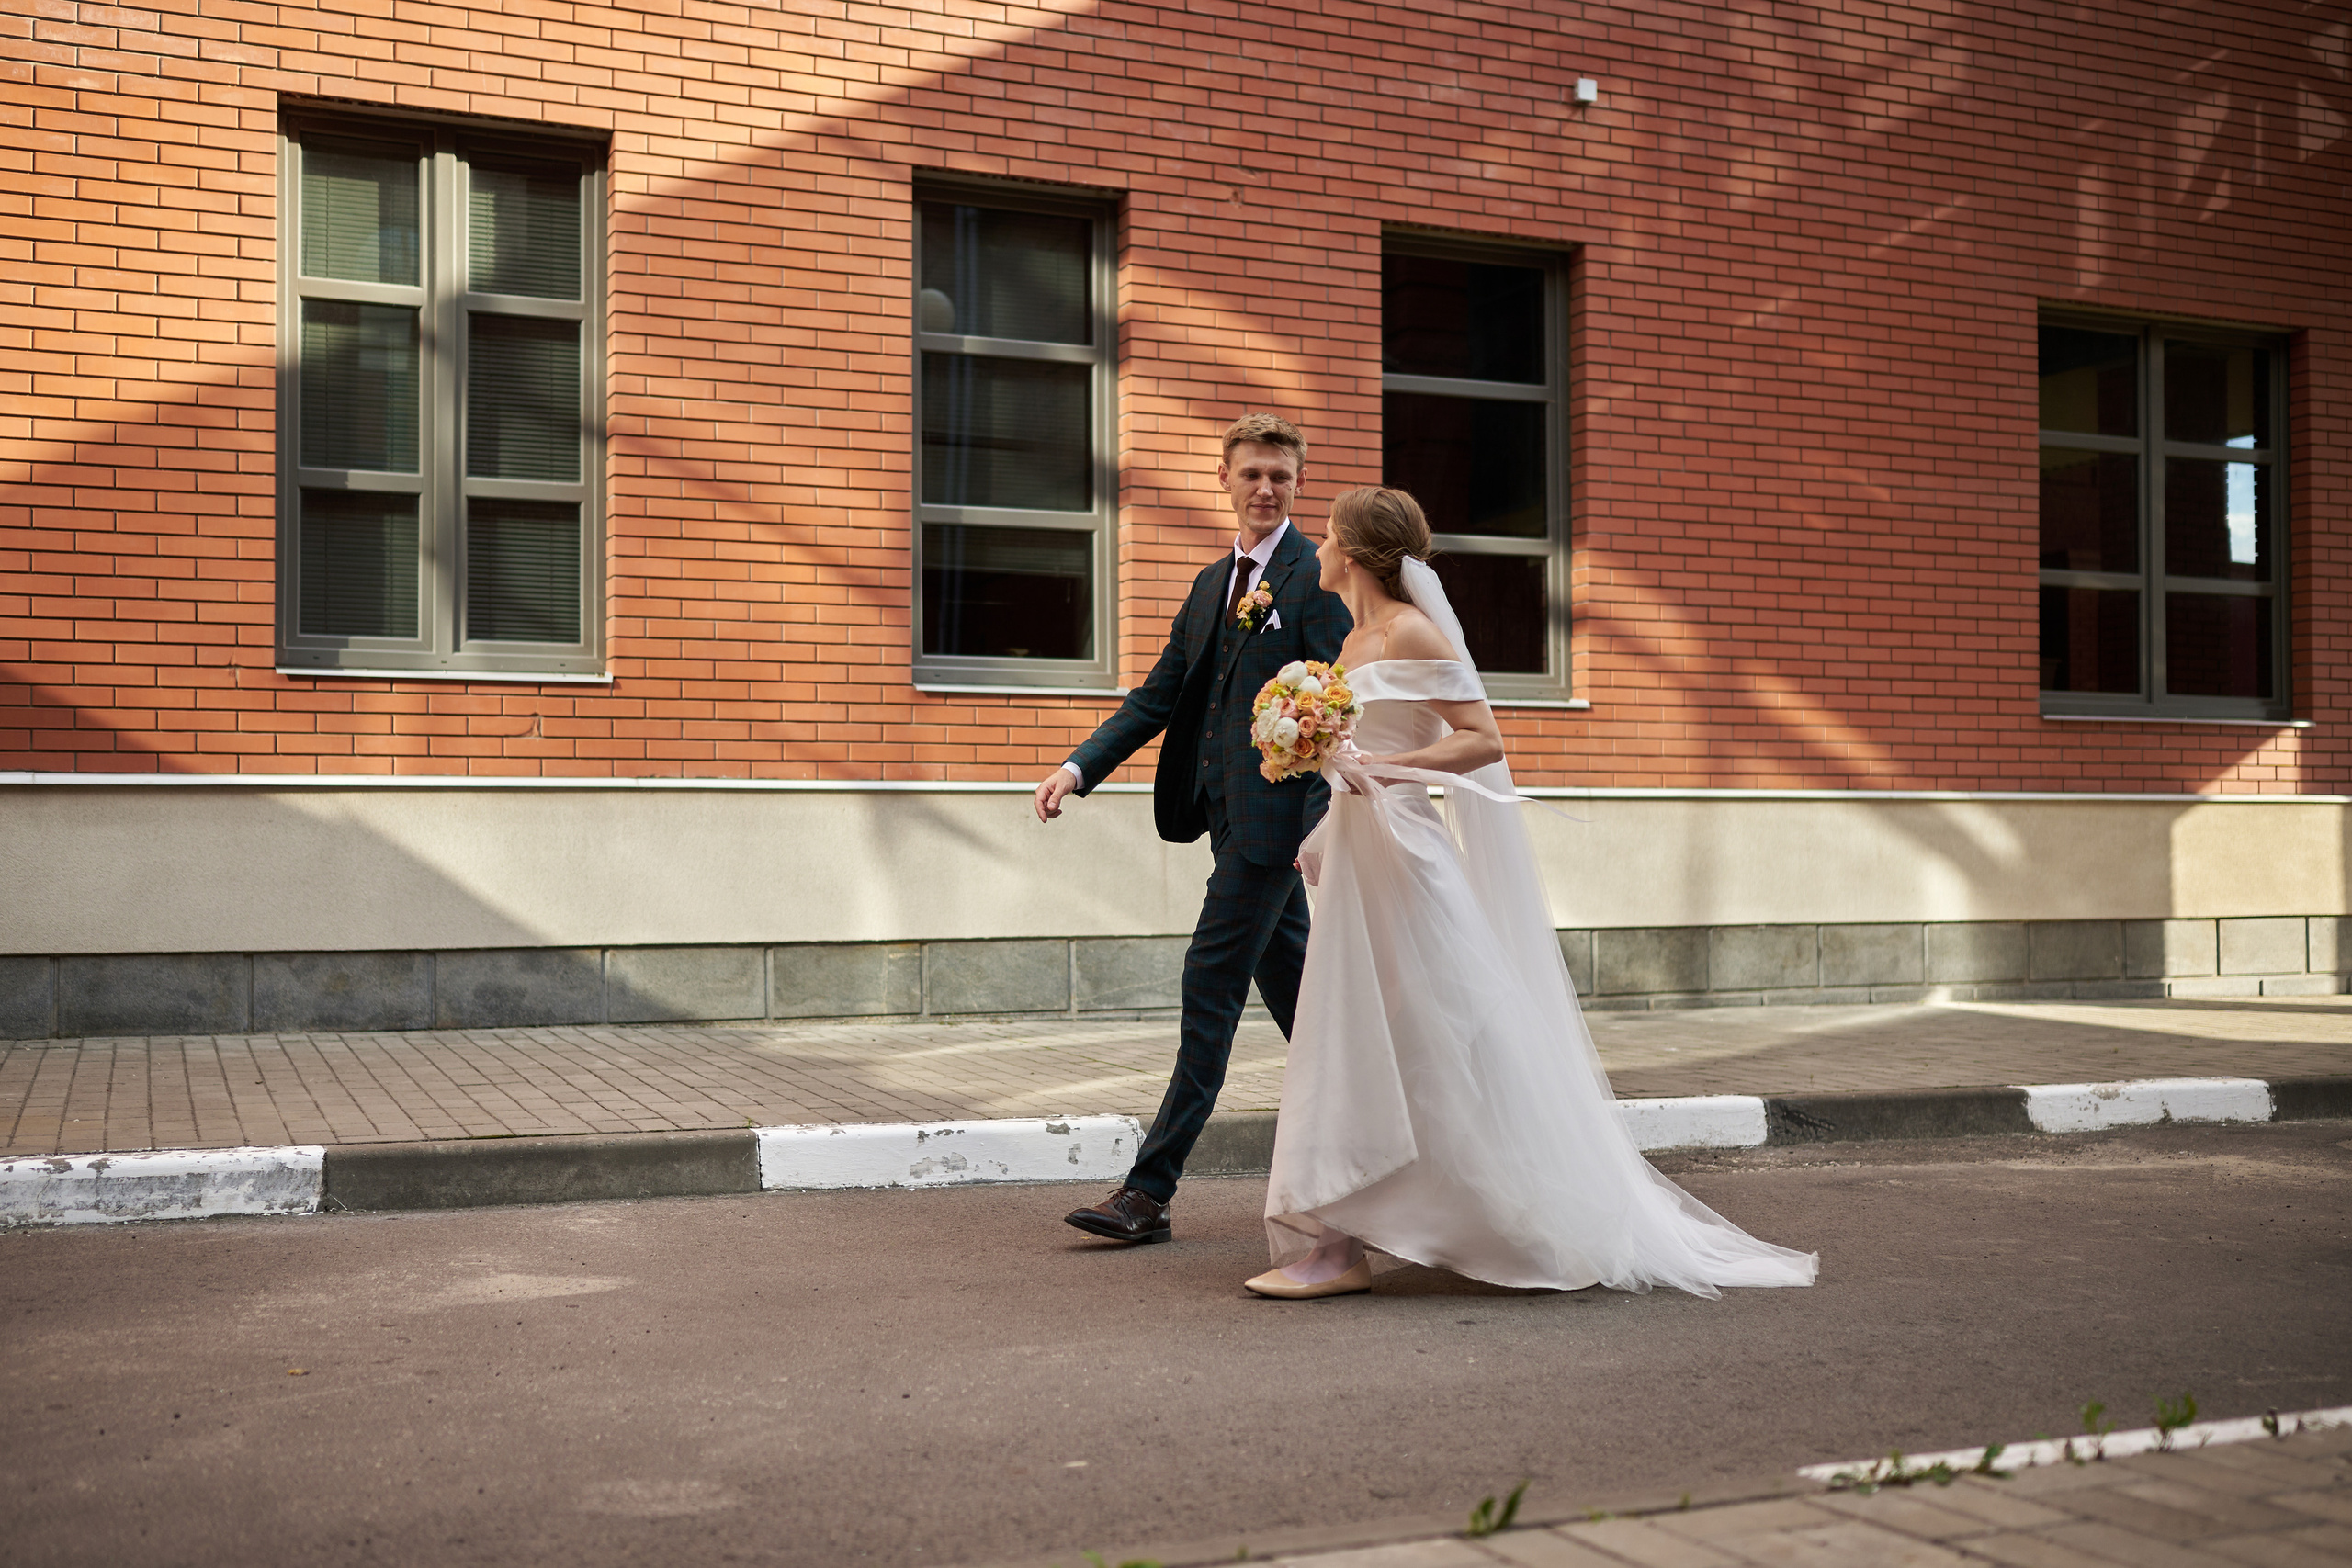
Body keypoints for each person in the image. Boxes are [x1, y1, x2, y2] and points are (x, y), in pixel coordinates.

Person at [1243, 486, 1818, 1300]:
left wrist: (1391, 772)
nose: (1320, 547)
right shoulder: (1356, 639)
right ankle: (1339, 1241)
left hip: (1405, 855)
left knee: (1434, 1031)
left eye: (1331, 535)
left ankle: (1518, 1218)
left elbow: (1482, 739)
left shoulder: (1409, 629)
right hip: (1362, 849)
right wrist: (1326, 797)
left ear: (1359, 552)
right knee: (1361, 1035)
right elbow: (1356, 747)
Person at [1035, 413, 1350, 1245]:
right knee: (1315, 1014)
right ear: (1225, 477)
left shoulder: (1316, 576)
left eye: (1280, 475)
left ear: (1298, 483)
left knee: (1208, 987)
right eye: (1251, 473)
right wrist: (1078, 768)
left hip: (1274, 836)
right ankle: (1395, 1153)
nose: (1265, 488)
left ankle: (1149, 1190)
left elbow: (1337, 708)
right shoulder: (1212, 583)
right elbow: (1158, 694)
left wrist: (1319, 827)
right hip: (1225, 822)